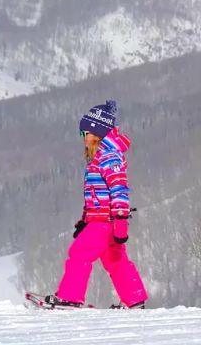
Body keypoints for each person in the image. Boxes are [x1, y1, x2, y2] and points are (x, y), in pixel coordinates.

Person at [44, 100, 148, 309]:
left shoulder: (109, 157)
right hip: (101, 220)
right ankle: (134, 300)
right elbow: (96, 196)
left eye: (85, 134)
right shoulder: (101, 157)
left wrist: (120, 222)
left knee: (79, 254)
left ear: (97, 134)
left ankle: (70, 298)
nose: (83, 139)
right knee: (115, 261)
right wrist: (85, 221)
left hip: (104, 222)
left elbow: (119, 191)